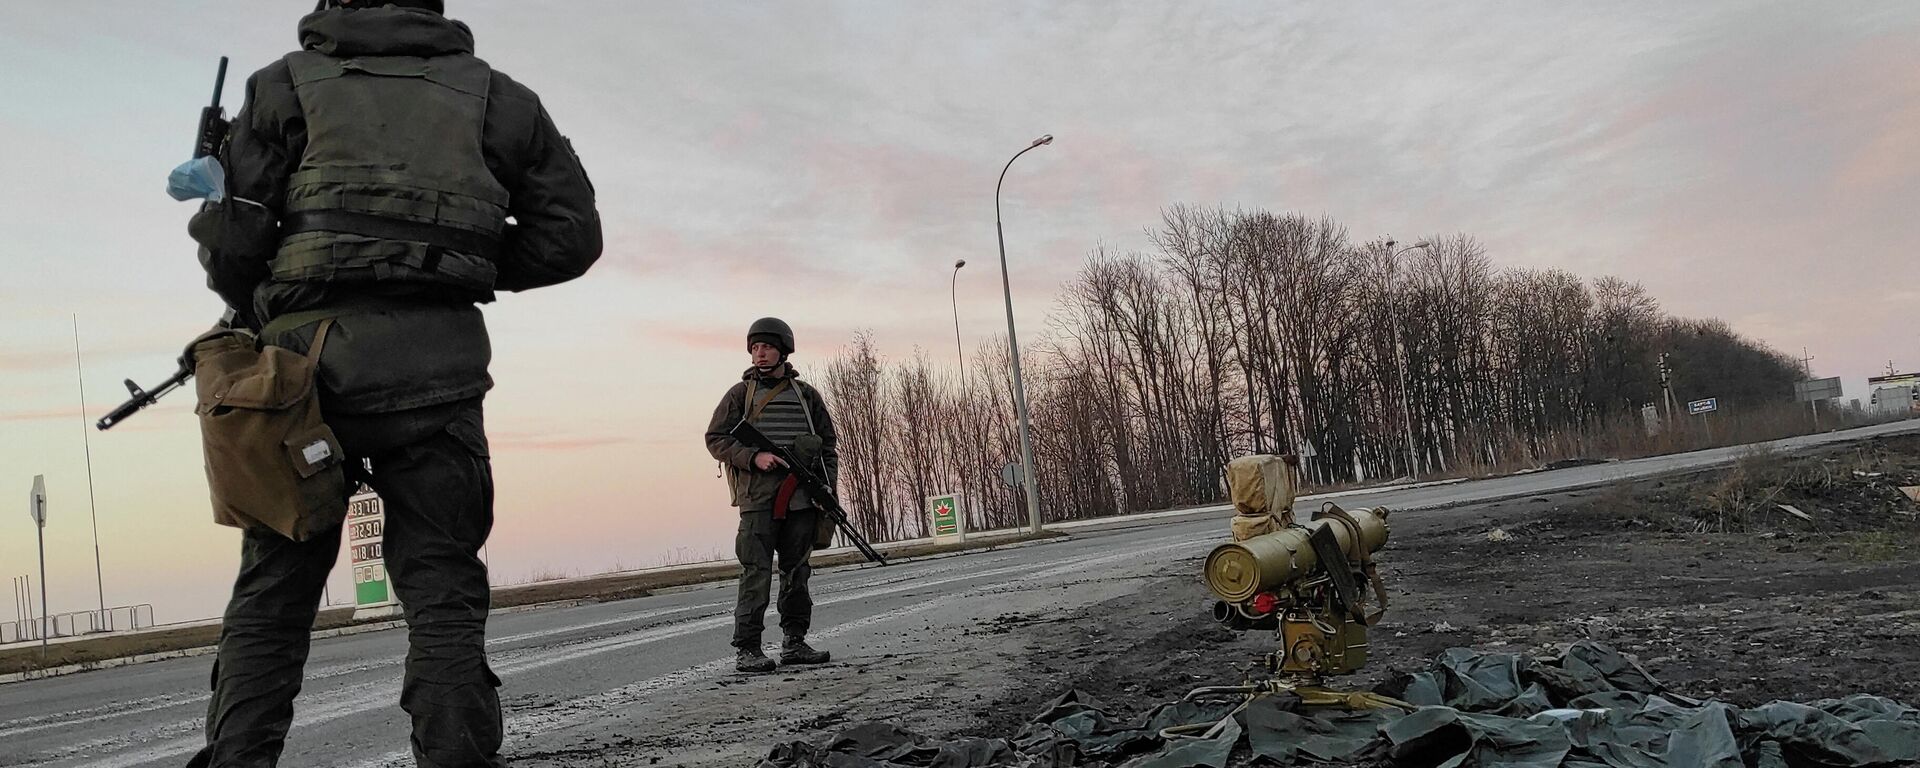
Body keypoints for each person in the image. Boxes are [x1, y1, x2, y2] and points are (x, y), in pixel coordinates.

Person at [184, 1, 601, 765]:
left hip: (300, 380)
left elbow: (233, 246)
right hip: (438, 377)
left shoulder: (282, 86)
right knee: (443, 595)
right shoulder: (500, 98)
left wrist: (288, 283)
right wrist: (450, 265)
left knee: (273, 599)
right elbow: (571, 238)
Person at [704, 317, 839, 673]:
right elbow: (716, 439)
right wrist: (753, 456)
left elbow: (828, 446)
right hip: (758, 501)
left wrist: (827, 490)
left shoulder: (806, 395)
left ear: (782, 350)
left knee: (797, 572)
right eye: (754, 348)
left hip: (800, 500)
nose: (759, 354)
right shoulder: (739, 395)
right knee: (755, 573)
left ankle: (794, 642)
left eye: (766, 347)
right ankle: (747, 649)